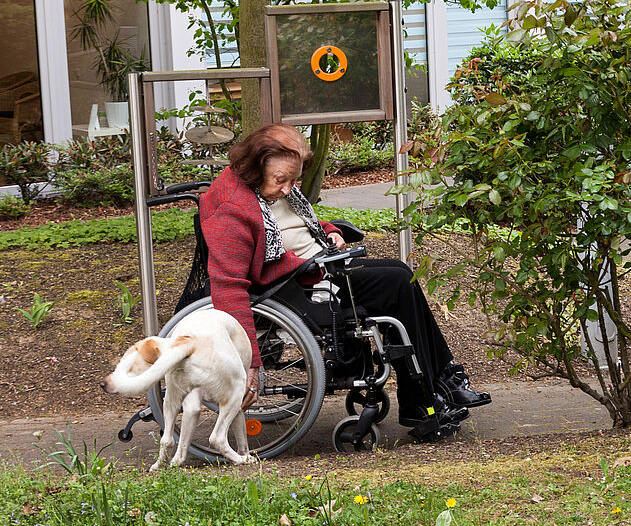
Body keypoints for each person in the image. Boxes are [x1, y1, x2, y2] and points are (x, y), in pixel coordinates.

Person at [198, 123, 490, 442]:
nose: (287, 188)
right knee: (397, 280)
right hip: (299, 287)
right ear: (257, 165)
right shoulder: (231, 207)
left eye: (293, 180)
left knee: (399, 276)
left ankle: (436, 385)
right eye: (282, 180)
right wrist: (249, 361)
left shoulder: (265, 185)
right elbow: (229, 287)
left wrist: (328, 230)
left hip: (320, 268)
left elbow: (292, 220)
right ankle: (428, 394)